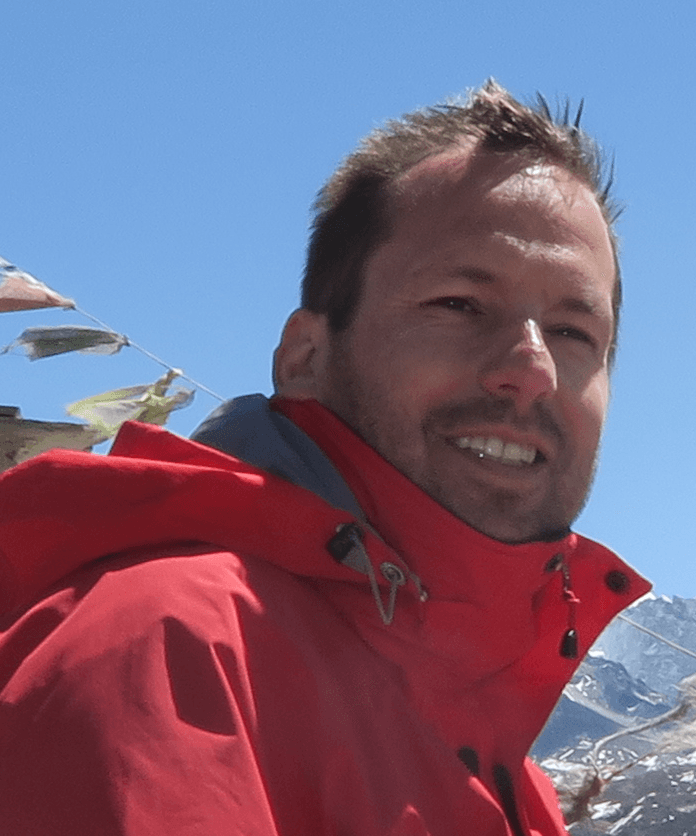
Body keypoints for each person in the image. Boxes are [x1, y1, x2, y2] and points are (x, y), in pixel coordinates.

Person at [0, 81, 650, 835]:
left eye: (573, 332)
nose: (532, 368)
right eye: (459, 305)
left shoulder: (492, 755)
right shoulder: (170, 653)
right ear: (305, 356)